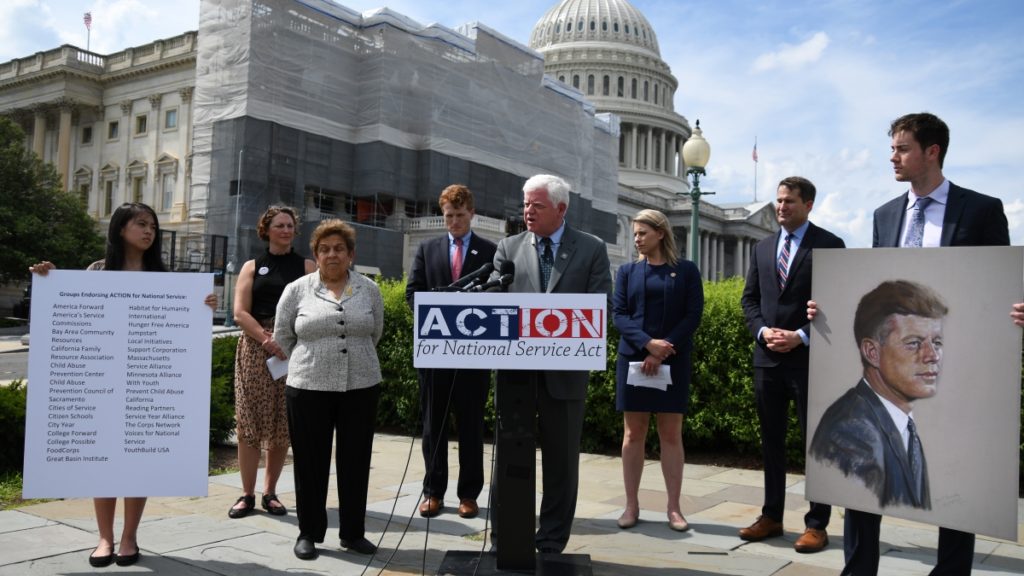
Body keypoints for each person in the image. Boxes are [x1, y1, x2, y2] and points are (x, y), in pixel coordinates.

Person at [811, 112, 1010, 576]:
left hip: (955, 367)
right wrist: (828, 308)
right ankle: (858, 569)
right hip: (894, 370)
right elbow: (876, 291)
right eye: (893, 148)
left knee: (955, 470)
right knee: (862, 484)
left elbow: (997, 285)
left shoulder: (981, 210)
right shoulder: (884, 215)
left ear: (932, 152)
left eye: (902, 148)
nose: (892, 157)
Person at [30, 202, 217, 568]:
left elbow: (179, 334)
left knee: (138, 460)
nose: (149, 231)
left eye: (153, 226)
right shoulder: (96, 272)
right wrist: (48, 278)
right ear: (120, 229)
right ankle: (104, 537)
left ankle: (130, 536)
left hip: (145, 382)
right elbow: (68, 312)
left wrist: (204, 306)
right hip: (103, 377)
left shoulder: (165, 277)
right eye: (140, 224)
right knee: (104, 459)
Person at [491, 174, 612, 553]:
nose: (528, 211)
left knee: (561, 461)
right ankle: (507, 536)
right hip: (516, 376)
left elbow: (601, 306)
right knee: (510, 457)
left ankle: (551, 540)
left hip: (565, 375)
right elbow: (495, 304)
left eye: (537, 205)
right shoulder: (507, 248)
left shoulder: (591, 249)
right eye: (525, 204)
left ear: (561, 209)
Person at [738, 176, 845, 553]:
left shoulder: (830, 245)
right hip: (767, 359)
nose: (781, 207)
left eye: (789, 201)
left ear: (809, 205)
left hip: (810, 360)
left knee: (816, 444)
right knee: (771, 442)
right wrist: (764, 332)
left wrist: (800, 336)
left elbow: (839, 302)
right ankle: (771, 516)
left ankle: (817, 523)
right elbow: (749, 300)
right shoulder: (762, 248)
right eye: (779, 200)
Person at [273, 219, 384, 560]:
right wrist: (313, 360)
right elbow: (283, 335)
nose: (332, 254)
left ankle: (353, 533)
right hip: (308, 387)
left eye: (339, 249)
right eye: (324, 249)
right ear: (316, 255)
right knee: (310, 462)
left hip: (361, 386)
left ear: (351, 254)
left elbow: (374, 331)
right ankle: (309, 532)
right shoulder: (297, 289)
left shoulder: (369, 289)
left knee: (355, 461)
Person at [810, 280, 946, 510]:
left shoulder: (896, 421)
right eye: (914, 343)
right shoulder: (853, 433)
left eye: (937, 342)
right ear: (872, 352)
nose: (932, 355)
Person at [405, 184, 496, 519]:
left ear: (471, 213)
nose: (454, 222)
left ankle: (469, 495)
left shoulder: (490, 251)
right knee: (434, 426)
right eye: (448, 216)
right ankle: (433, 492)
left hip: (473, 355)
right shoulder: (427, 250)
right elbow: (412, 293)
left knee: (471, 426)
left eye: (460, 215)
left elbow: (497, 296)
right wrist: (435, 316)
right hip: (435, 353)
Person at [612, 209, 703, 532]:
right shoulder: (626, 272)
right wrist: (649, 345)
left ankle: (674, 508)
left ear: (660, 234)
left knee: (670, 434)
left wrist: (664, 349)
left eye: (642, 233)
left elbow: (693, 315)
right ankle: (631, 505)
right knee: (633, 434)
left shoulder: (687, 271)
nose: (636, 239)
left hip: (673, 360)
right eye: (635, 233)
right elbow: (619, 315)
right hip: (634, 358)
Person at [227, 206, 316, 519]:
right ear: (266, 230)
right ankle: (246, 494)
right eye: (279, 225)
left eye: (290, 225)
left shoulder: (307, 266)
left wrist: (286, 339)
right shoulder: (252, 266)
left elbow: (315, 307)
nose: (286, 230)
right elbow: (239, 312)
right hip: (255, 348)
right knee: (249, 422)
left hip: (292, 349)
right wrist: (266, 339)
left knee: (282, 422)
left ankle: (270, 492)